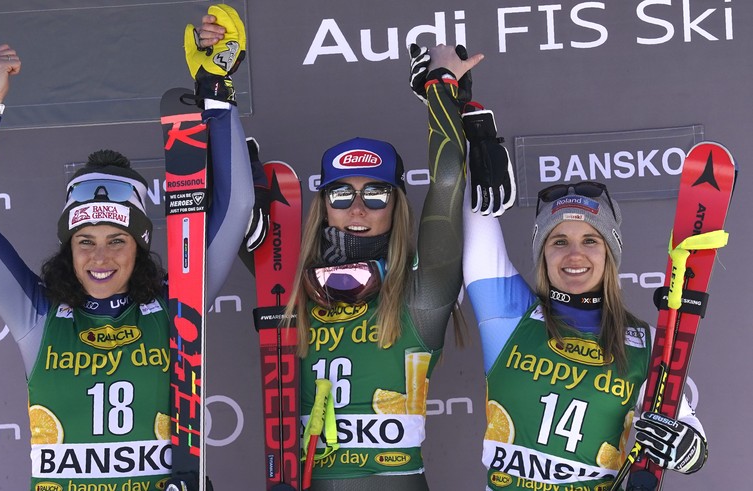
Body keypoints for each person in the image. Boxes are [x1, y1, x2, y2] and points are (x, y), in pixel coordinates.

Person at [0, 9, 258, 488]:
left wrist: (216, 89)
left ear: (140, 245)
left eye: (117, 241)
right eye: (85, 241)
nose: (99, 258)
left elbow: (236, 206)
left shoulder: (177, 308)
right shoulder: (37, 317)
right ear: (68, 246)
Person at [279, 44, 483, 491]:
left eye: (375, 195)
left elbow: (448, 178)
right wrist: (217, 92)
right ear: (322, 207)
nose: (357, 208)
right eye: (340, 195)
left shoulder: (421, 292)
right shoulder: (289, 285)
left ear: (397, 205)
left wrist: (441, 92)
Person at [462, 180, 709, 490]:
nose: (575, 255)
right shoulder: (509, 314)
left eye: (591, 240)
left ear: (609, 252)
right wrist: (480, 143)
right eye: (560, 241)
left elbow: (682, 421)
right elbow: (477, 212)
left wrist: (691, 447)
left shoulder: (643, 344)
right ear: (543, 254)